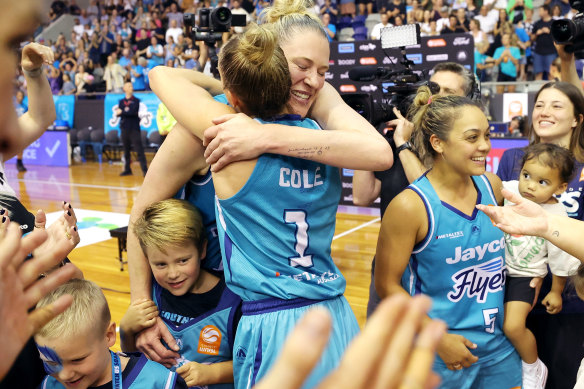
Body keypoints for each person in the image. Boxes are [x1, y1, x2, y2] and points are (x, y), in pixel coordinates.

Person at [127, 0, 391, 373]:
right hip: (206, 301)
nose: (315, 80)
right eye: (302, 66)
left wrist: (264, 135)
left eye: (323, 71)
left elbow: (379, 152)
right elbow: (142, 214)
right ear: (270, 58)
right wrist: (140, 304)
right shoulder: (210, 123)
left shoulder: (311, 108)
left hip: (267, 307)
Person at [375, 86, 522, 388]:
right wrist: (438, 338)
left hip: (498, 349)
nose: (484, 146)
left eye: (487, 135)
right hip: (439, 350)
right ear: (438, 143)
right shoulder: (410, 206)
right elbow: (387, 285)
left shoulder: (492, 187)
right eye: (472, 137)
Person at [352, 62, 477, 317]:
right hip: (390, 265)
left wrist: (403, 145)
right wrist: (368, 137)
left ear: (467, 101)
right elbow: (361, 196)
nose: (438, 97)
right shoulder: (396, 137)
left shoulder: (463, 150)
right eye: (434, 89)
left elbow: (436, 199)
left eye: (449, 91)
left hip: (439, 269)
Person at [497, 79, 584, 388]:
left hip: (568, 297)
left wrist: (555, 282)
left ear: (577, 119)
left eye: (557, 105)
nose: (545, 111)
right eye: (539, 104)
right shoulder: (511, 159)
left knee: (563, 374)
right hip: (515, 284)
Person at [121, 199, 241, 388]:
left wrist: (213, 373)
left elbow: (254, 364)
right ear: (146, 260)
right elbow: (132, 361)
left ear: (202, 249)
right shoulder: (149, 294)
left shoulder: (233, 301)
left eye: (183, 260)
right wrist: (126, 331)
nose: (173, 274)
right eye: (161, 264)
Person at [34, 279, 189, 389]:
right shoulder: (49, 384)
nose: (65, 375)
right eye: (52, 362)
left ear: (108, 336)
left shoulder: (159, 382)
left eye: (77, 360)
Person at [115, 81, 148, 177]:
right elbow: (119, 113)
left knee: (139, 150)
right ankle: (127, 169)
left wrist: (122, 112)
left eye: (131, 86)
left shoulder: (136, 100)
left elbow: (133, 112)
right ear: (124, 88)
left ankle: (145, 170)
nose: (131, 87)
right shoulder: (121, 101)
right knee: (126, 150)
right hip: (124, 128)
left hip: (134, 129)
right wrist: (123, 112)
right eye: (128, 86)